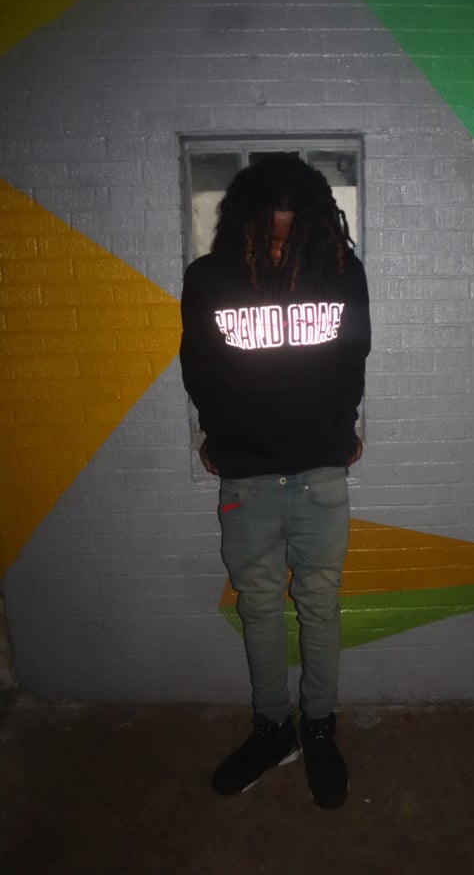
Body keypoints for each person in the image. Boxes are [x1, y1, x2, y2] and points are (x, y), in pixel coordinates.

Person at [179, 153, 371, 808]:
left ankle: (317, 729)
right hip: (248, 479)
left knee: (319, 605)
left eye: (293, 235)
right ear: (246, 222)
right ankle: (271, 731)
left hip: (320, 474)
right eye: (270, 235)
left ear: (314, 225)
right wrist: (215, 434)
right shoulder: (209, 279)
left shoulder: (341, 273)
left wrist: (344, 428)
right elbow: (199, 367)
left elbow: (353, 358)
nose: (281, 248)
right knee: (258, 608)